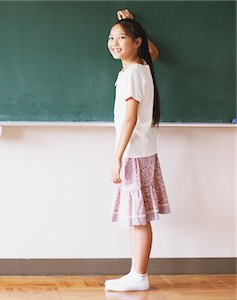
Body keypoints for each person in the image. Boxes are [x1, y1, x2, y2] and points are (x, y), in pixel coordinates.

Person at [104, 9, 171, 292]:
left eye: (122, 38)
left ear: (136, 42)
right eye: (111, 37)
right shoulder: (143, 66)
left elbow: (130, 117)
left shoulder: (133, 74)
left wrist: (117, 156)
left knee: (138, 217)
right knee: (136, 216)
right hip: (144, 151)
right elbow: (153, 51)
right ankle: (136, 273)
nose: (115, 43)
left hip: (134, 153)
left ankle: (139, 275)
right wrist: (138, 26)